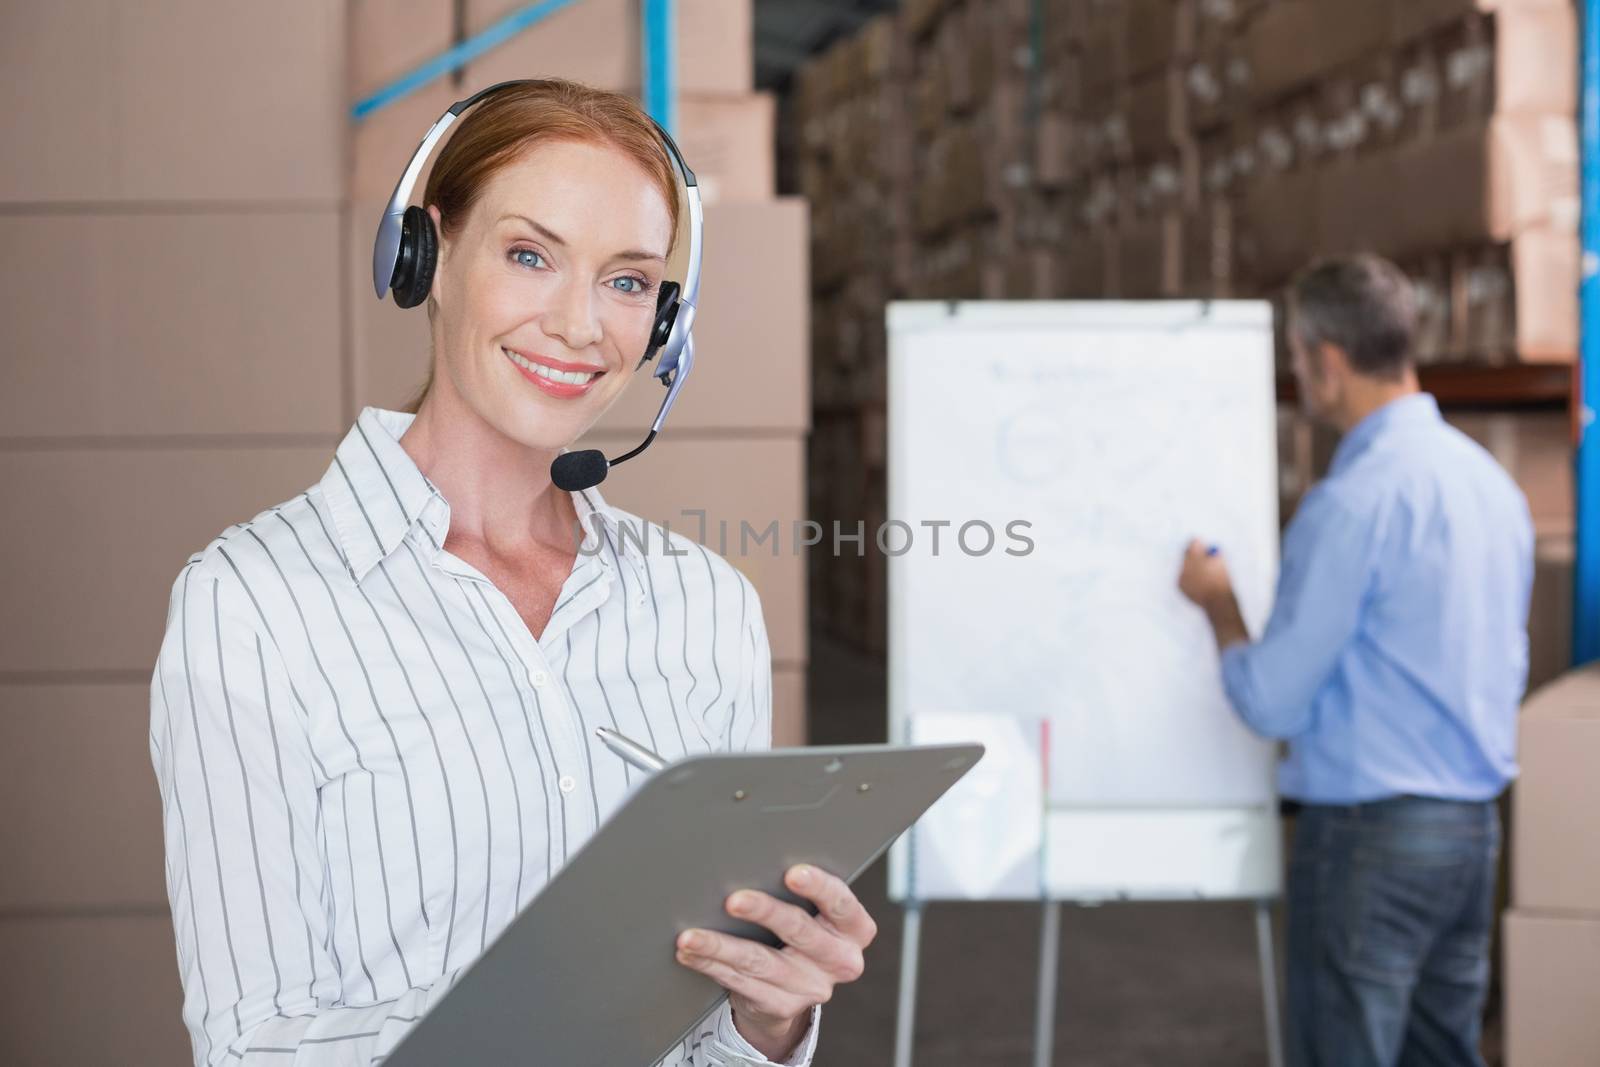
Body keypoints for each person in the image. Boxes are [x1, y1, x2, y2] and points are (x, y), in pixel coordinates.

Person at [149, 79, 873, 1067]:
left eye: (625, 281)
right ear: (426, 255)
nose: (581, 325)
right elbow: (250, 1043)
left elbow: (707, 1038)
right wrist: (543, 1017)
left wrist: (767, 1019)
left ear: (663, 322)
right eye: (530, 255)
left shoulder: (704, 606)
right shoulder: (253, 603)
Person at [1176, 254, 1533, 1067]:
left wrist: (1220, 606)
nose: (1300, 378)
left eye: (1299, 361)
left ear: (1328, 363)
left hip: (1370, 839)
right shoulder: (1490, 485)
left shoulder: (1354, 503)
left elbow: (1272, 700)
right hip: (1471, 832)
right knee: (1443, 1050)